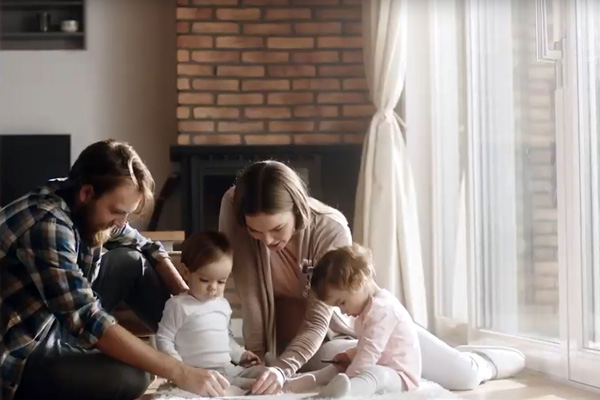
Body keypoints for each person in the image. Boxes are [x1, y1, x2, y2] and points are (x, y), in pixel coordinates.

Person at [219, 160, 525, 395]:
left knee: (464, 377)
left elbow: (318, 320)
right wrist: (261, 360)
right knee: (342, 372)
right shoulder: (241, 218)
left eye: (276, 229)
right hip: (316, 346)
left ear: (298, 210)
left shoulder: (330, 229)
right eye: (256, 231)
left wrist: (283, 369)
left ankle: (482, 358)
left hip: (360, 328)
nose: (267, 241)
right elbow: (250, 296)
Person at [1, 140, 229, 400]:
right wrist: (179, 372)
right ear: (87, 194)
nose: (121, 223)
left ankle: (205, 354)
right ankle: (191, 370)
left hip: (53, 322)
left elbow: (145, 245)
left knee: (132, 260)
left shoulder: (77, 196)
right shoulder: (46, 223)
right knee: (135, 375)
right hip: (22, 353)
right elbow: (86, 318)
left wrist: (188, 298)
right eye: (117, 212)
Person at [283, 244, 421, 398]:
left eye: (342, 302)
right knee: (339, 366)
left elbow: (368, 356)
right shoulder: (368, 310)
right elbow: (365, 347)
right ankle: (311, 380)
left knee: (374, 374)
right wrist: (349, 356)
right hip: (379, 364)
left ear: (358, 282)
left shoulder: (383, 310)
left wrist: (349, 378)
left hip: (400, 376)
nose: (343, 311)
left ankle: (344, 393)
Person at [156, 231, 265, 393]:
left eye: (221, 281)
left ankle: (246, 384)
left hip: (227, 369)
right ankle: (241, 385)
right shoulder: (178, 305)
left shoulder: (222, 305)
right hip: (197, 372)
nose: (213, 287)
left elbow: (226, 339)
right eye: (205, 280)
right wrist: (179, 369)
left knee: (264, 373)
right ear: (186, 272)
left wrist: (241, 355)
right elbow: (164, 339)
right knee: (230, 384)